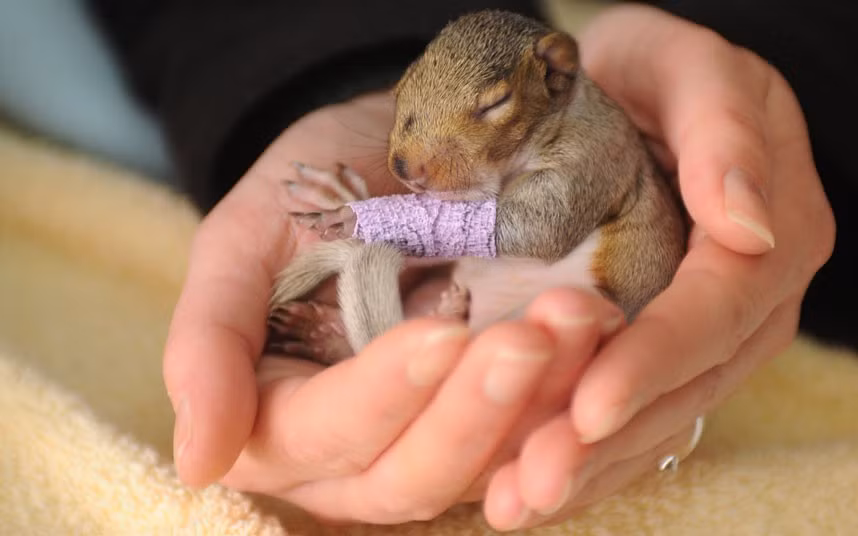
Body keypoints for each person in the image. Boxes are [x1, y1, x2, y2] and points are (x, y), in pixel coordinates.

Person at [73, 0, 850, 530]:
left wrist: (377, 215)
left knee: (505, 346)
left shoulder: (590, 147)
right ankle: (356, 335)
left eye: (486, 110)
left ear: (554, 80)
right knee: (417, 329)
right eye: (409, 108)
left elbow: (524, 234)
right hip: (481, 294)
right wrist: (342, 84)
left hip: (581, 296)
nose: (411, 158)